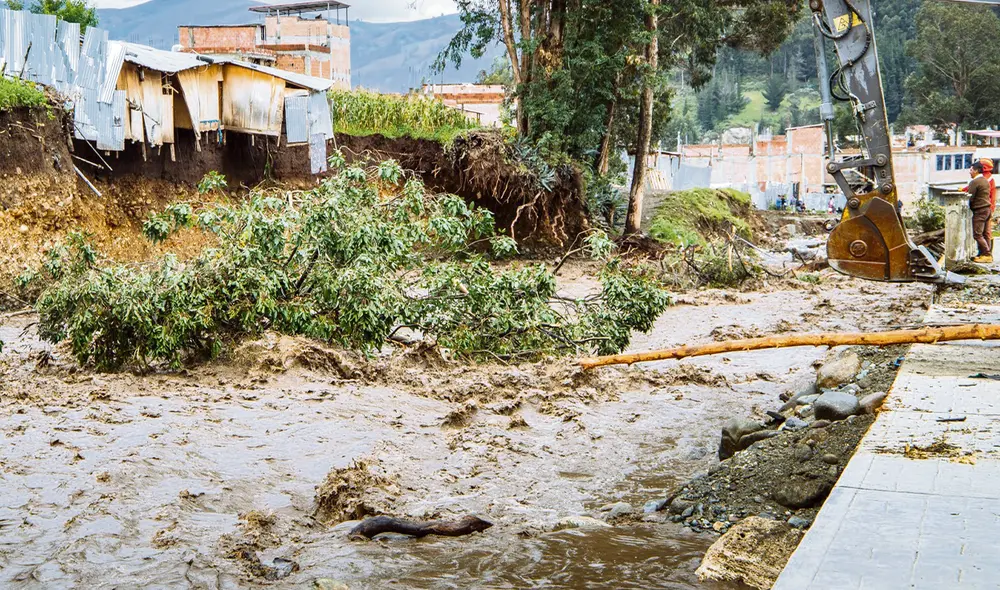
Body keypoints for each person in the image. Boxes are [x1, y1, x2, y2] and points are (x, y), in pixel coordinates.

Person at [967, 161, 993, 263]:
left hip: (980, 210)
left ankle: (986, 254)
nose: (970, 172)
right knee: (985, 234)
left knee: (977, 234)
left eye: (971, 170)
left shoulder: (975, 182)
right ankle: (983, 254)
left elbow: (970, 197)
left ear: (977, 170)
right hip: (987, 209)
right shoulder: (985, 180)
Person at [981, 158, 997, 249]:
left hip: (986, 207)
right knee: (987, 231)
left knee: (985, 231)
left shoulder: (987, 179)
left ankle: (987, 251)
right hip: (989, 207)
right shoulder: (988, 178)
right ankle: (988, 250)